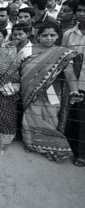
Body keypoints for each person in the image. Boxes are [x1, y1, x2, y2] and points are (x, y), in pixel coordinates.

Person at [21, 22, 83, 162]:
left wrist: (74, 91)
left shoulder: (62, 53)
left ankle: (52, 146)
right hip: (30, 92)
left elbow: (70, 74)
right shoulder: (29, 50)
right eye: (44, 35)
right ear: (38, 36)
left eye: (52, 35)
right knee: (31, 117)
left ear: (58, 36)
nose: (48, 38)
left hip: (52, 93)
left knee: (51, 119)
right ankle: (32, 144)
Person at [62, 0, 85, 167]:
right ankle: (72, 149)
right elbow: (65, 58)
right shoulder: (69, 34)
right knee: (74, 118)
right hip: (73, 83)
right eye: (80, 11)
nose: (82, 14)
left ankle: (82, 154)